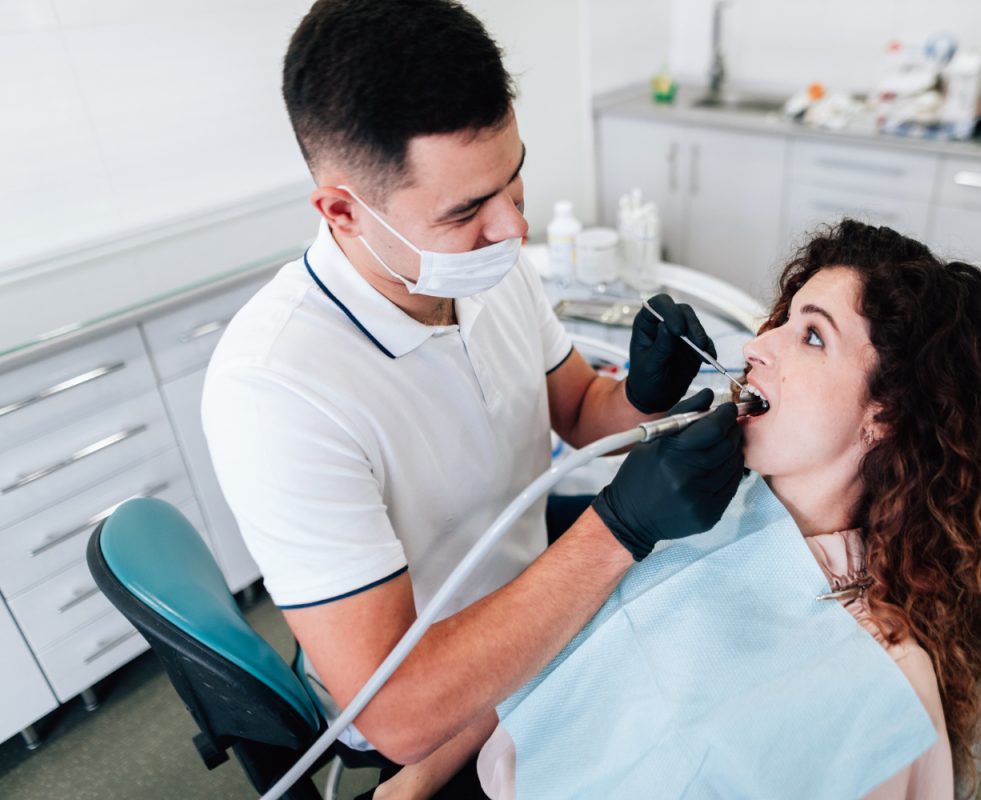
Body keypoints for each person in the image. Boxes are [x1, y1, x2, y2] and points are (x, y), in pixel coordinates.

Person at [201, 1, 744, 796]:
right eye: (465, 212)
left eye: (514, 184)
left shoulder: (489, 267)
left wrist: (645, 395)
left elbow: (581, 411)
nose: (512, 228)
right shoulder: (277, 391)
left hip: (542, 601)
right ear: (343, 211)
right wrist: (618, 529)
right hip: (436, 703)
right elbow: (397, 710)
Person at [457, 220, 981, 800]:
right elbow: (541, 652)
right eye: (784, 319)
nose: (756, 345)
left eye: (811, 336)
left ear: (885, 414)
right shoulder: (706, 507)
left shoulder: (881, 693)